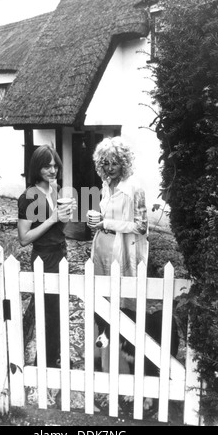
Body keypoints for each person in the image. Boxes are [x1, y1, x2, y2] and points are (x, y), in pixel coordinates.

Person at [88, 136, 149, 372]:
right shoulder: (105, 185)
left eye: (114, 163)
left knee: (123, 306)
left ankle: (126, 365)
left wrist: (108, 223)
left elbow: (141, 226)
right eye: (105, 163)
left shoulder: (135, 187)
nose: (110, 168)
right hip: (101, 249)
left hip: (123, 253)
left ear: (124, 162)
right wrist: (97, 224)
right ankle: (103, 364)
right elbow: (105, 219)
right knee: (102, 305)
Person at [17, 144, 75, 368]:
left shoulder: (54, 190)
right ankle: (48, 359)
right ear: (36, 168)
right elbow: (24, 238)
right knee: (48, 311)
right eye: (46, 166)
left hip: (61, 253)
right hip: (43, 257)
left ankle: (56, 354)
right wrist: (52, 218)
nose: (52, 170)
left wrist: (66, 216)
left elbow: (59, 229)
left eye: (55, 166)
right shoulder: (28, 196)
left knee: (59, 308)